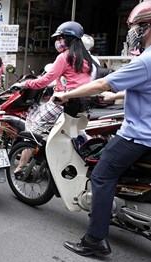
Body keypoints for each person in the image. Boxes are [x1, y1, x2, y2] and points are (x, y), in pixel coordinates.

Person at [57, 2, 151, 256]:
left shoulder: (145, 59)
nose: (134, 33)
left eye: (137, 27)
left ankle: (94, 240)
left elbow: (100, 84)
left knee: (101, 176)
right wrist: (116, 98)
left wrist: (66, 96)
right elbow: (141, 87)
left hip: (139, 135)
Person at [13, 21, 94, 176]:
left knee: (32, 127)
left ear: (68, 39)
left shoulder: (64, 57)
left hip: (62, 102)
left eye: (61, 38)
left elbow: (44, 80)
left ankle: (21, 167)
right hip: (82, 104)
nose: (58, 41)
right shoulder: (87, 58)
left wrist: (25, 84)